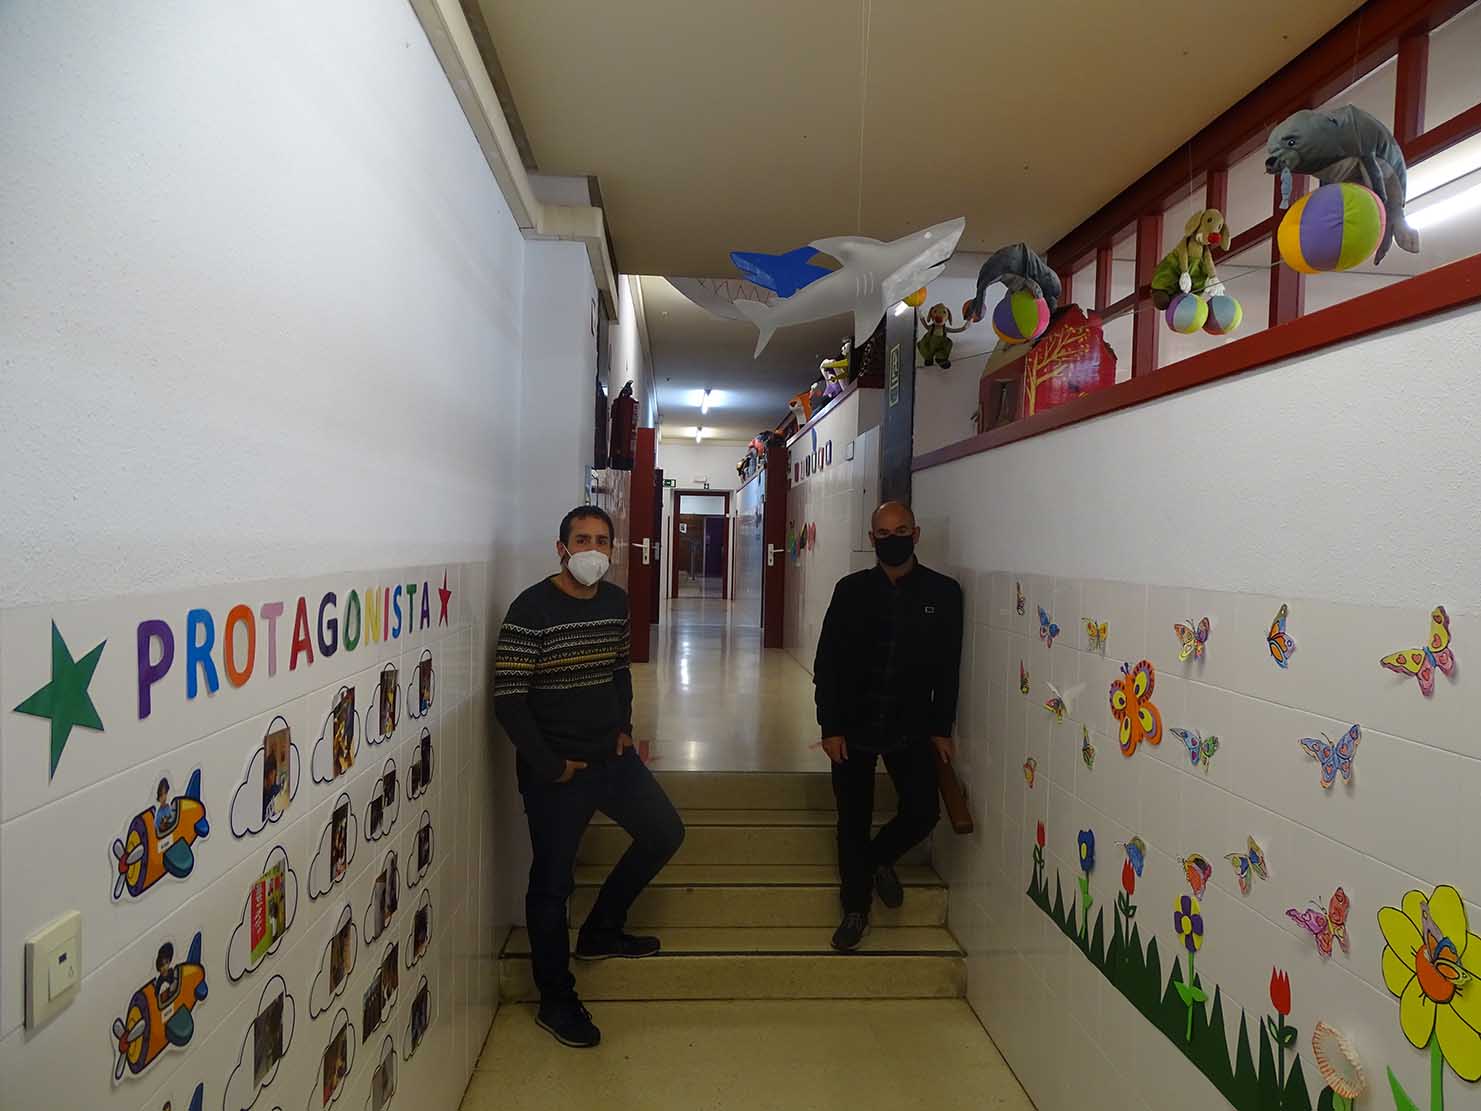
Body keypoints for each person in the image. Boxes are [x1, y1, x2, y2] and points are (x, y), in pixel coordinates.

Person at [494, 506, 685, 1049]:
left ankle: (601, 929)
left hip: (611, 758)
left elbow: (619, 670)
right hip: (557, 773)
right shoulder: (530, 609)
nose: (593, 550)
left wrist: (624, 727)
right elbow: (509, 700)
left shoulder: (616, 602)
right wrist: (550, 765)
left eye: (603, 540)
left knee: (664, 833)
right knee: (552, 885)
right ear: (562, 548)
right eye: (582, 540)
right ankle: (555, 999)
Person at [814, 501, 963, 951]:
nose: (892, 539)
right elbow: (827, 663)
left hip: (910, 724)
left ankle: (878, 859)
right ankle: (855, 909)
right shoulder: (851, 591)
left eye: (901, 531)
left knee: (923, 811)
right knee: (852, 820)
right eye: (883, 533)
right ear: (871, 538)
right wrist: (829, 727)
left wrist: (941, 728)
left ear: (915, 535)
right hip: (853, 725)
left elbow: (948, 668)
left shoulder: (944, 593)